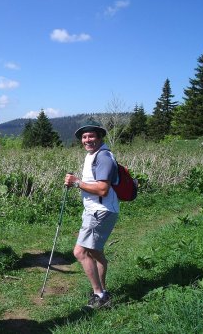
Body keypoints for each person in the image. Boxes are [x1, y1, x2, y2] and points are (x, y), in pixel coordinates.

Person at [64, 122, 119, 310]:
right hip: (96, 210)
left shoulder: (103, 157)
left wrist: (77, 183)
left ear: (99, 137)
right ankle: (102, 290)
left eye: (91, 136)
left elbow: (103, 189)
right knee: (95, 252)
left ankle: (100, 296)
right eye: (84, 137)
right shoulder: (93, 155)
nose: (87, 140)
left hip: (100, 211)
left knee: (80, 252)